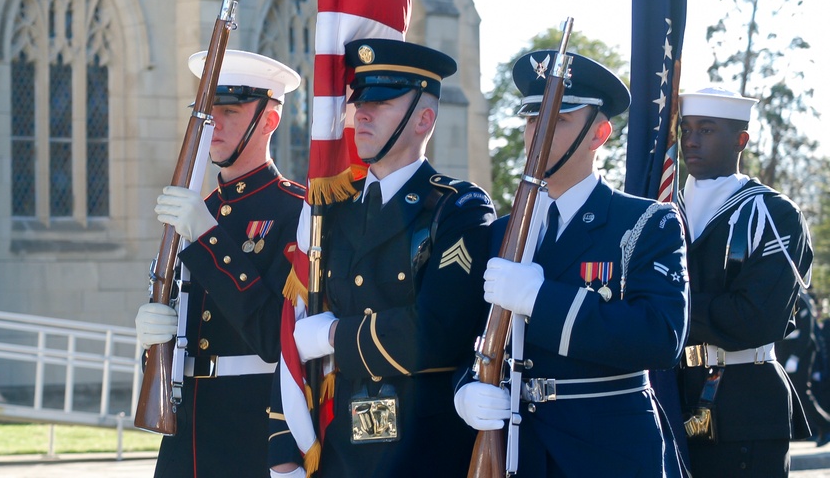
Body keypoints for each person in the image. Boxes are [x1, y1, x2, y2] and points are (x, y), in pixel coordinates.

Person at [454, 50, 690, 477]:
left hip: (609, 453)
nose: (536, 133)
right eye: (531, 119)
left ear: (599, 134)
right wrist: (465, 388)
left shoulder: (645, 222)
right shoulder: (502, 232)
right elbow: (471, 335)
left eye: (558, 120)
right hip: (520, 452)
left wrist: (539, 299)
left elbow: (659, 336)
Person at [269, 38, 496, 477]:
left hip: (425, 452)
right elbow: (292, 330)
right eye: (359, 101)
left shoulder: (457, 208)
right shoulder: (331, 210)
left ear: (423, 120)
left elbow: (436, 333)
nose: (362, 112)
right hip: (342, 450)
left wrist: (335, 335)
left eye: (382, 102)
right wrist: (283, 448)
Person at [135, 50, 307, 478]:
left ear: (269, 120)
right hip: (186, 430)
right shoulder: (196, 210)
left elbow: (273, 334)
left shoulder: (298, 211)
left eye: (229, 110)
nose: (215, 123)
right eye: (209, 111)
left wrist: (208, 237)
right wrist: (152, 337)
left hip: (251, 430)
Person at [676, 86, 814, 477]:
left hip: (747, 402)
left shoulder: (771, 213)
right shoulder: (663, 208)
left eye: (707, 129)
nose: (692, 140)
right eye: (686, 130)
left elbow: (754, 319)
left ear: (741, 140)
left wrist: (666, 306)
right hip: (674, 396)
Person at [776, 291, 830, 445]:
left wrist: (795, 357)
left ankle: (826, 426)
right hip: (785, 352)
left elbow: (807, 332)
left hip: (801, 352)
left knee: (802, 393)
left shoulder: (802, 300)